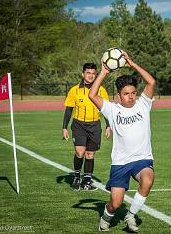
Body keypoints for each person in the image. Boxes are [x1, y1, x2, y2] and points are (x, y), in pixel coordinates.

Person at [89, 52, 156, 232]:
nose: (131, 96)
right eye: (126, 94)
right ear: (119, 95)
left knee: (148, 180)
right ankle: (106, 217)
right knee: (115, 203)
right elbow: (92, 95)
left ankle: (131, 215)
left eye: (133, 92)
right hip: (121, 162)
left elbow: (151, 82)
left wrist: (132, 64)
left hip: (142, 158)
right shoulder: (112, 109)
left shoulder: (144, 104)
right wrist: (104, 71)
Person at [62, 62, 111, 191]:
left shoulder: (101, 90)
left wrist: (108, 125)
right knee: (79, 152)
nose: (90, 76)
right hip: (78, 125)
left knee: (90, 154)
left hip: (94, 125)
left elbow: (106, 109)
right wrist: (64, 127)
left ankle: (87, 181)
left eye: (93, 74)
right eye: (88, 73)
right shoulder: (75, 90)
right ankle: (77, 177)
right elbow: (68, 110)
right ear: (83, 74)